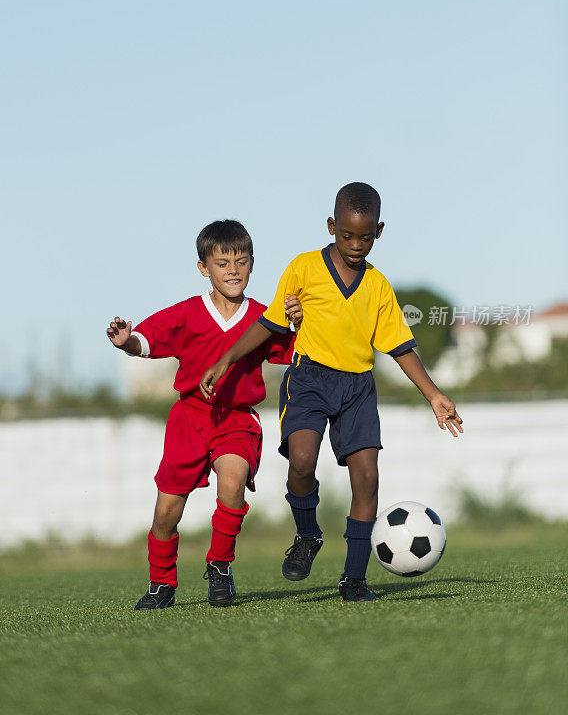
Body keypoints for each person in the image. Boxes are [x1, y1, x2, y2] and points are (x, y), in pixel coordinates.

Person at [199, 183, 463, 602]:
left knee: (367, 479)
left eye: (365, 236)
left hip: (358, 388)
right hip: (309, 380)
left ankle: (354, 579)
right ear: (331, 226)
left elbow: (399, 345)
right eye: (346, 235)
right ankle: (307, 535)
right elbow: (271, 323)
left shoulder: (378, 286)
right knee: (302, 461)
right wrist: (225, 360)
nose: (356, 245)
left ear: (379, 231)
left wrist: (433, 394)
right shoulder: (303, 268)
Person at [106, 220, 302, 609]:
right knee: (166, 512)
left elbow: (299, 351)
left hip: (236, 420)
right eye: (223, 262)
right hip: (190, 419)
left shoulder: (264, 318)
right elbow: (148, 339)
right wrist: (127, 340)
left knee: (232, 480)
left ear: (252, 264)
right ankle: (162, 583)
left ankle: (220, 567)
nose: (233, 270)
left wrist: (299, 320)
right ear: (203, 268)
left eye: (241, 262)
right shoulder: (187, 313)